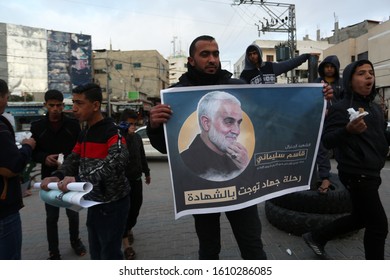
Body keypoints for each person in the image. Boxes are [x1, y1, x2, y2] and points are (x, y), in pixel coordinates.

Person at [147, 35, 267, 260]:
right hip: (200, 190)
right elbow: (165, 148)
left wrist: (317, 102)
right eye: (205, 54)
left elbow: (268, 120)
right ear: (191, 60)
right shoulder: (175, 95)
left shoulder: (238, 88)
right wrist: (153, 125)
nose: (212, 59)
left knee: (253, 246)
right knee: (209, 248)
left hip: (241, 187)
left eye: (216, 54)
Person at [302, 59, 389, 260]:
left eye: (371, 72)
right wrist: (347, 130)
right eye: (361, 73)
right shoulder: (341, 108)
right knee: (378, 226)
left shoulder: (374, 108)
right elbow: (327, 140)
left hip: (373, 172)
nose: (369, 76)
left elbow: (382, 136)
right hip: (356, 174)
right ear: (350, 81)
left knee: (359, 218)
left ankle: (316, 237)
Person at [39, 83, 131, 260]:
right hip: (93, 203)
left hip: (113, 204)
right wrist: (57, 175)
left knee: (110, 254)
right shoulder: (85, 132)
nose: (73, 108)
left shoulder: (112, 131)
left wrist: (79, 178)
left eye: (79, 103)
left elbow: (117, 160)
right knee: (96, 253)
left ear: (95, 106)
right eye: (73, 102)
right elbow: (73, 159)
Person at [30, 89, 86, 260]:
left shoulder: (73, 125)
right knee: (51, 217)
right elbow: (33, 152)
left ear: (63, 105)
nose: (55, 109)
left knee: (72, 212)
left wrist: (68, 162)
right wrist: (44, 158)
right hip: (49, 178)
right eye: (51, 105)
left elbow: (80, 149)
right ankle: (53, 251)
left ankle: (76, 241)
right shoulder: (37, 126)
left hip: (70, 177)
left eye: (59, 105)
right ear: (45, 105)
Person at [0, 79, 36, 259]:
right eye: (6, 97)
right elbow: (13, 166)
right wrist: (28, 147)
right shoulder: (1, 128)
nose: (7, 102)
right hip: (4, 212)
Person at [181, 90, 249, 181]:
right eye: (229, 122)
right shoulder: (185, 162)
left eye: (238, 123)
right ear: (206, 123)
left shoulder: (238, 160)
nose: (237, 131)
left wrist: (246, 167)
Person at [119, 109, 151, 260]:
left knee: (135, 209)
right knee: (124, 212)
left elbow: (142, 156)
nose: (133, 126)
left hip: (137, 179)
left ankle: (129, 228)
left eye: (134, 124)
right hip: (122, 182)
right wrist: (126, 136)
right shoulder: (118, 139)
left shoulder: (137, 137)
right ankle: (126, 245)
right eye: (129, 124)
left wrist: (147, 172)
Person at [313, 55, 344, 194]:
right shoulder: (317, 82)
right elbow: (311, 101)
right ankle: (325, 177)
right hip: (322, 123)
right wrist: (321, 110)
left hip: (338, 122)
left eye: (332, 67)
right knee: (322, 149)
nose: (329, 69)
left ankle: (345, 176)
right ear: (323, 68)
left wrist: (332, 109)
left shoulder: (342, 83)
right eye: (327, 66)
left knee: (342, 150)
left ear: (336, 68)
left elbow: (346, 102)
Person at [240, 44, 310, 84]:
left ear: (259, 53)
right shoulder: (245, 74)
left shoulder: (269, 66)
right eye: (250, 54)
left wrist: (306, 56)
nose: (252, 56)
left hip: (273, 106)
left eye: (255, 53)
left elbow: (289, 64)